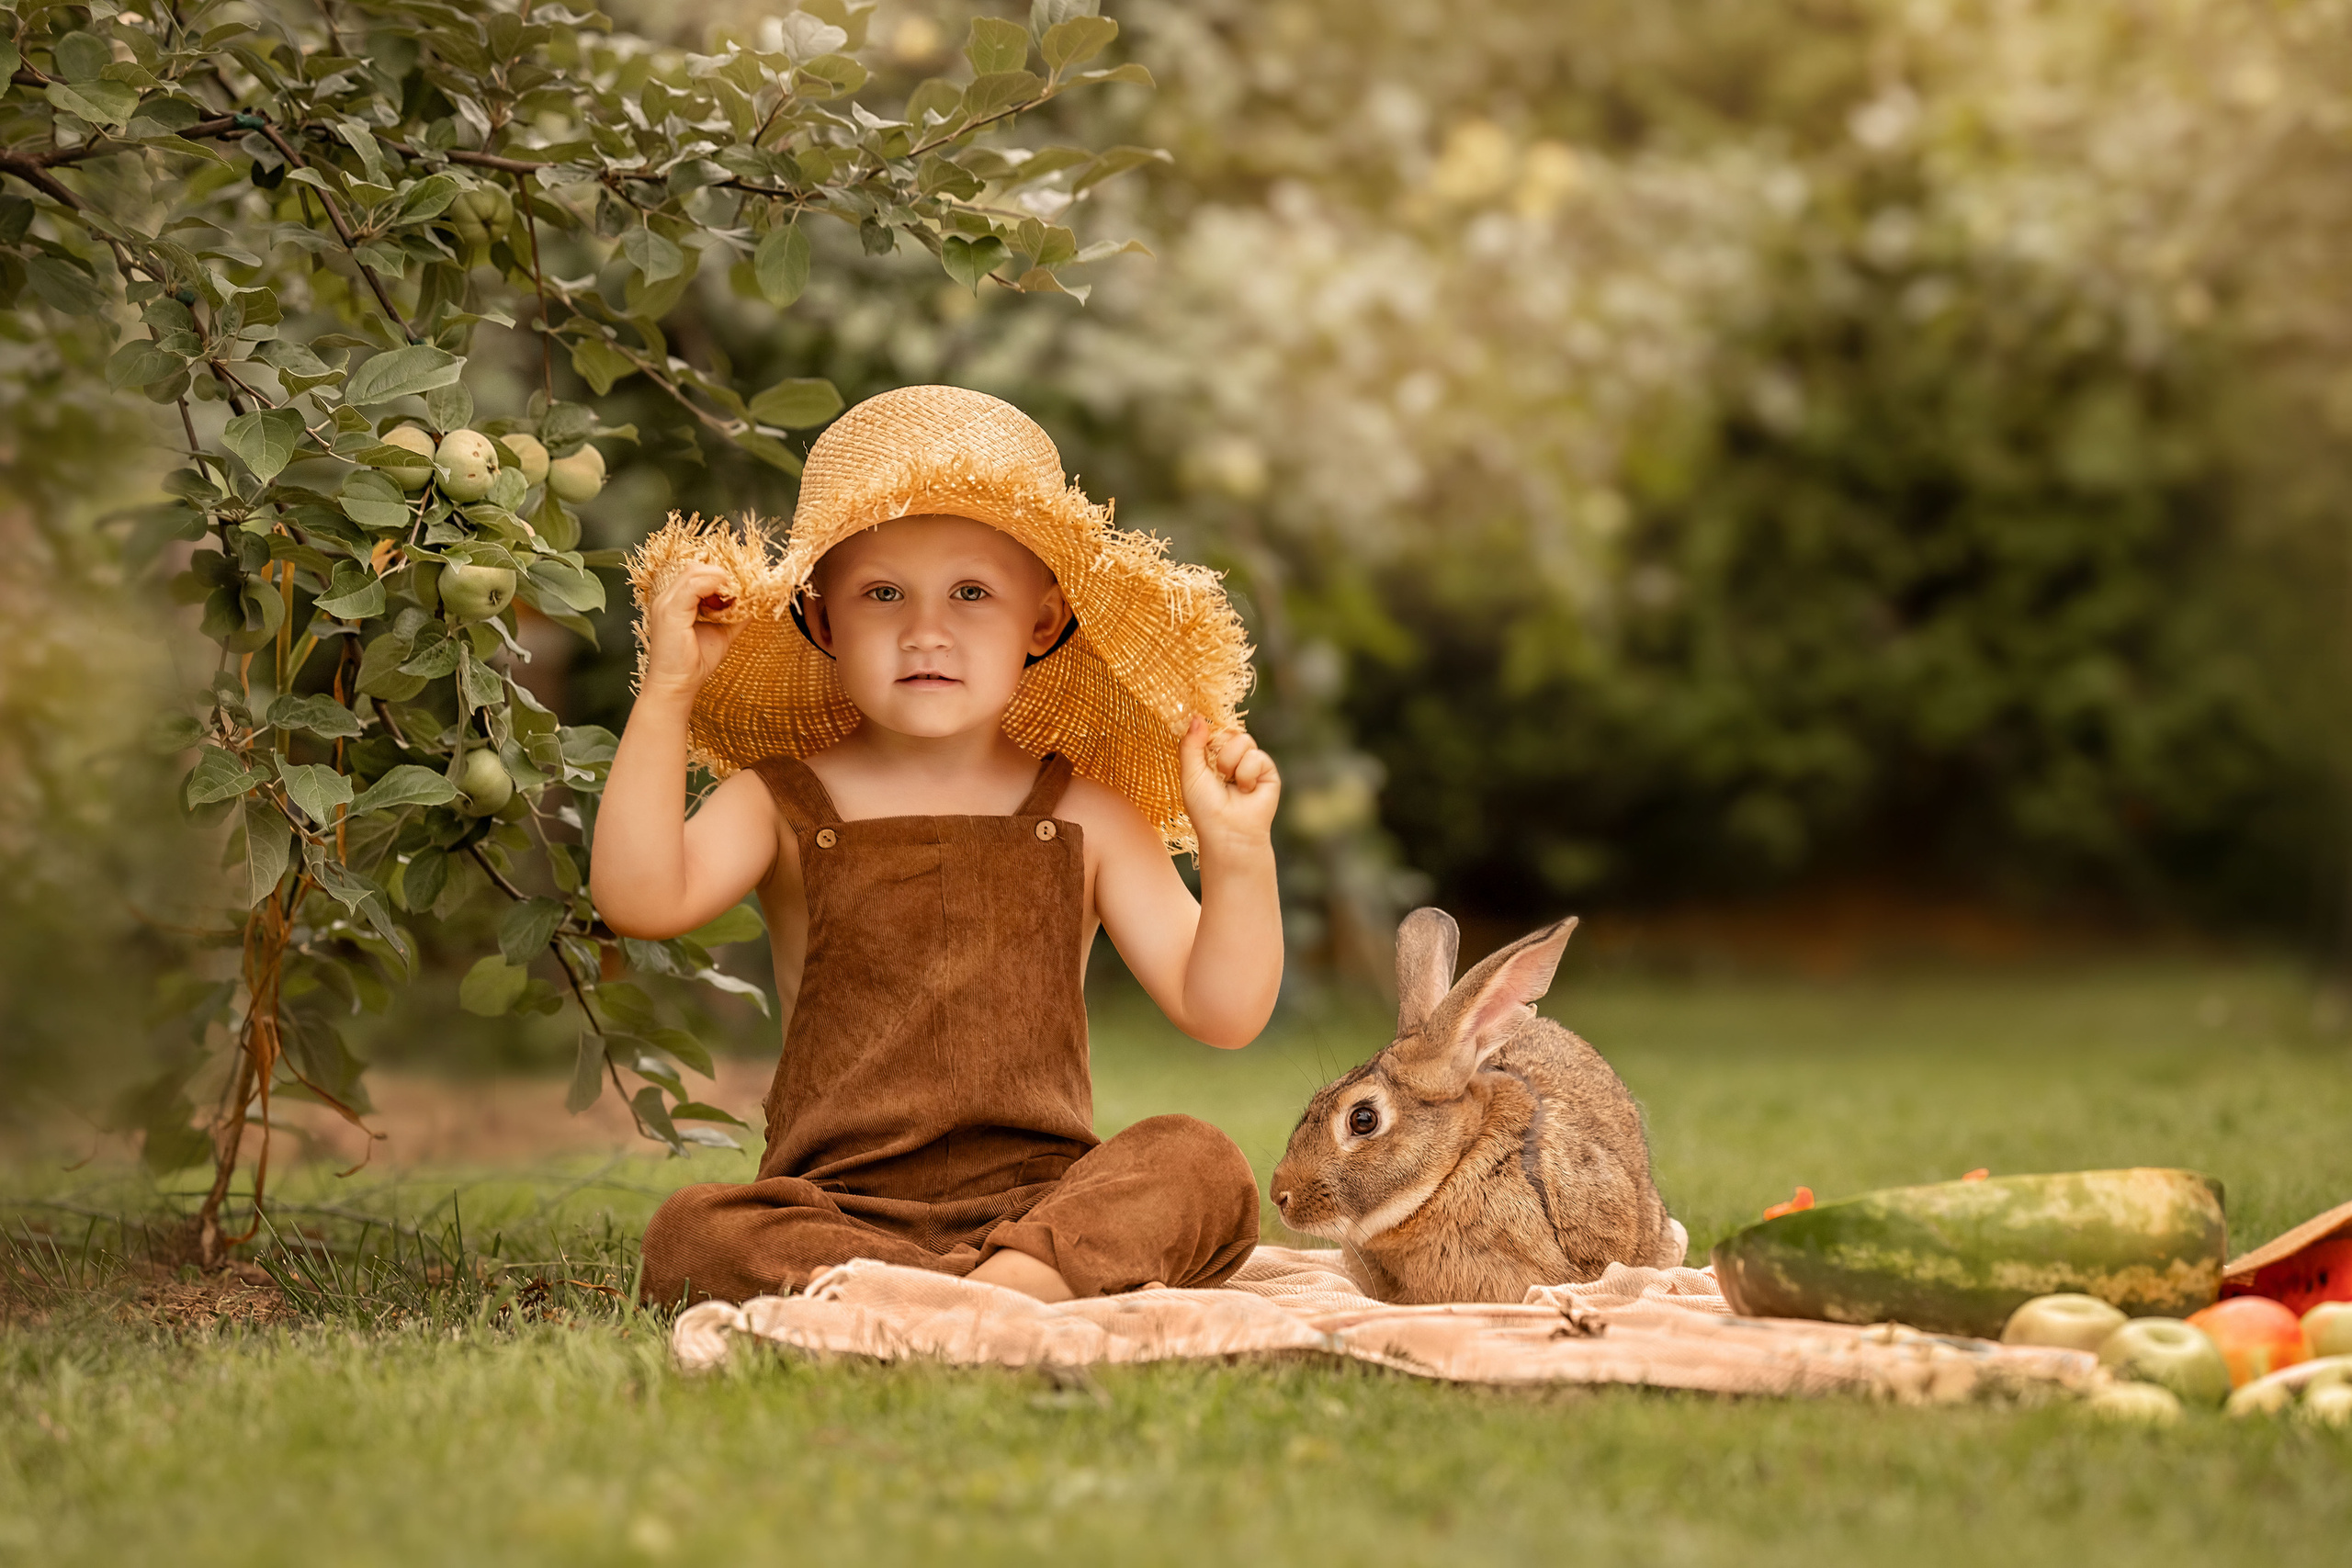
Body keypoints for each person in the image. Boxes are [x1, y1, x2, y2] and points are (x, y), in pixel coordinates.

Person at [594, 385, 1283, 1307]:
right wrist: (666, 694)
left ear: (1041, 622)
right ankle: (1002, 1299)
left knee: (1197, 1161)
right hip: (832, 1207)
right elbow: (638, 898)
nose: (926, 630)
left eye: (971, 592)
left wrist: (1238, 854)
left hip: (1046, 1202)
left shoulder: (1090, 813)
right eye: (883, 594)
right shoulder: (782, 798)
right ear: (823, 621)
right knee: (693, 1230)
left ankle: (975, 1288)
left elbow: (1223, 1010)